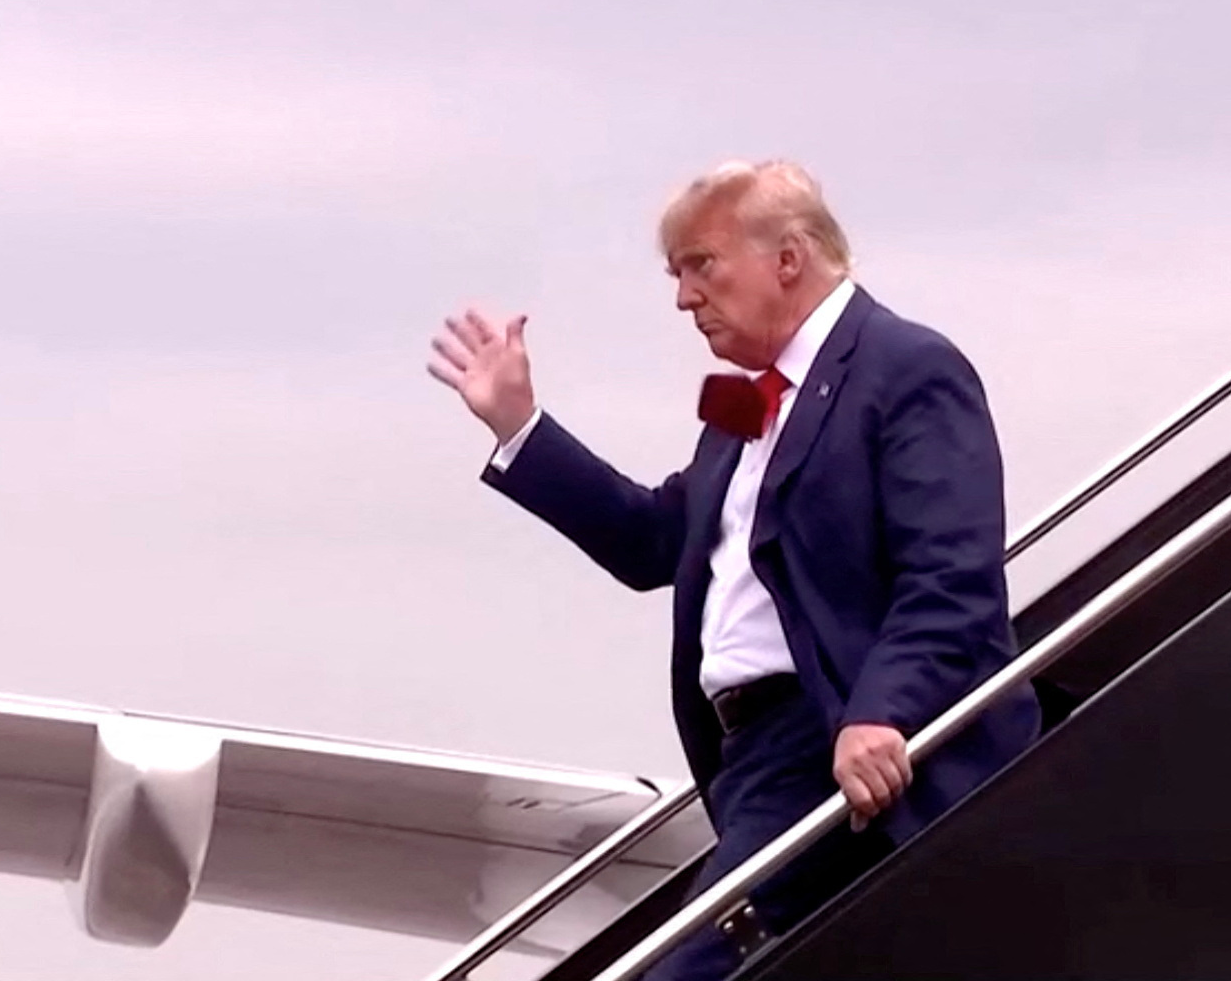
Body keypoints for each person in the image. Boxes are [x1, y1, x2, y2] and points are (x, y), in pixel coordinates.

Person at [428, 161, 1039, 980]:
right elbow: (652, 543)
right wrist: (519, 427)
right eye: (677, 274)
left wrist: (881, 713)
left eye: (699, 265)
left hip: (827, 738)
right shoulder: (749, 411)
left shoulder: (906, 368)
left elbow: (952, 577)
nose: (684, 297)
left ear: (787, 258)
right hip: (750, 761)